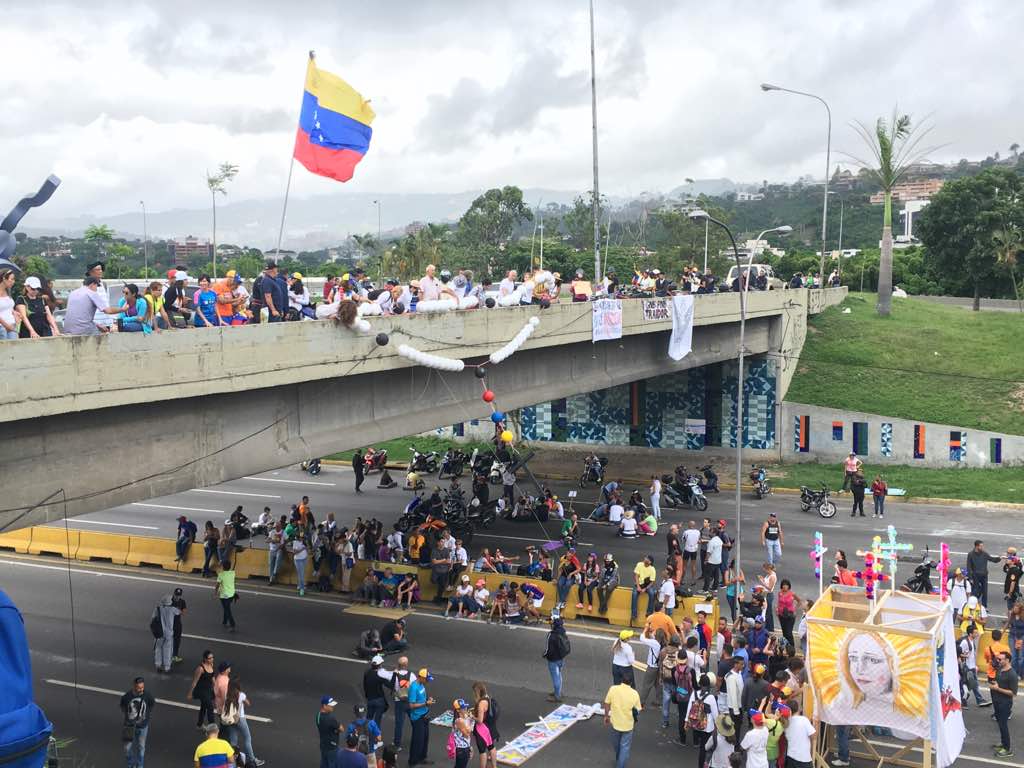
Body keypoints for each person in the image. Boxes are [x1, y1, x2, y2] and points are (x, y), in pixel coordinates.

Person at [603, 678, 641, 768]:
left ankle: (619, 759)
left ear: (621, 680)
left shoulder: (613, 689)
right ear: (631, 682)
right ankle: (621, 763)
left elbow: (606, 703)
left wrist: (606, 716)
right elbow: (638, 709)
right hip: (628, 725)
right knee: (625, 747)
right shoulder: (634, 693)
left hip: (615, 724)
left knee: (616, 745)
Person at [121, 676, 155, 768]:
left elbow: (151, 704)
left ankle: (140, 765)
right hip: (129, 726)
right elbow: (123, 707)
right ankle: (130, 764)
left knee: (141, 747)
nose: (141, 689)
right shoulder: (127, 696)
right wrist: (130, 718)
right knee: (127, 748)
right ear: (134, 686)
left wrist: (145, 716)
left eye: (142, 687)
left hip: (142, 727)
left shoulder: (147, 695)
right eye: (139, 688)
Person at [688, 673, 720, 768]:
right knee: (704, 749)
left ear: (700, 684)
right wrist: (717, 727)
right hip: (707, 727)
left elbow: (689, 707)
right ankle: (701, 765)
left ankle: (695, 742)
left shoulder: (694, 694)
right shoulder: (711, 698)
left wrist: (686, 721)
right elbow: (715, 715)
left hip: (695, 724)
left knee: (700, 744)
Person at [991, 651, 1019, 758]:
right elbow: (998, 681)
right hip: (997, 701)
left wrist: (998, 688)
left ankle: (1007, 749)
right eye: (998, 659)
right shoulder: (999, 669)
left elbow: (1013, 693)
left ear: (1007, 660)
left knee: (1003, 725)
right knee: (1000, 723)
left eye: (1000, 659)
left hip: (1005, 703)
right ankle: (1003, 744)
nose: (998, 661)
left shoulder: (1012, 675)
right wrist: (995, 684)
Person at [407, 668, 435, 767]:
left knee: (425, 738)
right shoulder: (414, 688)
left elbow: (422, 698)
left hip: (424, 714)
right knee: (417, 740)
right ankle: (413, 761)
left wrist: (427, 700)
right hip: (417, 717)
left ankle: (422, 757)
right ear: (421, 677)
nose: (428, 681)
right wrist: (425, 703)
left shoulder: (422, 685)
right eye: (427, 679)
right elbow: (411, 705)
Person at [958, 623, 991, 707]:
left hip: (972, 667)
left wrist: (975, 666)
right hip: (967, 668)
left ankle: (972, 700)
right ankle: (976, 700)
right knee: (972, 685)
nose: (977, 634)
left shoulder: (971, 641)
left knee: (972, 685)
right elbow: (958, 653)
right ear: (970, 634)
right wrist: (965, 656)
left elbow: (972, 655)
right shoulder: (965, 642)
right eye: (975, 633)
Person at [967, 540, 1002, 608]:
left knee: (985, 591)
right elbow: (969, 566)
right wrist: (970, 578)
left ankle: (984, 606)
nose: (982, 547)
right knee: (975, 591)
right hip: (975, 576)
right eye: (981, 546)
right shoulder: (970, 554)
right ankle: (972, 605)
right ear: (976, 546)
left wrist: (999, 558)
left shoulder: (984, 553)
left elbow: (992, 559)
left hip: (984, 576)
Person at [472, 681, 499, 768]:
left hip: (482, 729)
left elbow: (480, 720)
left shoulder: (481, 703)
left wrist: (471, 716)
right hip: (490, 726)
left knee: (482, 750)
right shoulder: (488, 697)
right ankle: (494, 766)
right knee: (491, 747)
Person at [544, 617, 571, 702]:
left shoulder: (551, 635)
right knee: (559, 675)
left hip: (553, 660)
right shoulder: (563, 633)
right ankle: (558, 692)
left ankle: (557, 696)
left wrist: (544, 655)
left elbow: (548, 649)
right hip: (561, 658)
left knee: (556, 678)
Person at [151, 592, 180, 673]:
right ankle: (167, 667)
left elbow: (153, 618)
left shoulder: (158, 609)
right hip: (169, 633)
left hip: (159, 632)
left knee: (158, 649)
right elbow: (179, 612)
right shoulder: (173, 609)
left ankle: (158, 665)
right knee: (167, 650)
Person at [317, 695, 342, 768]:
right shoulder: (331, 718)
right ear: (324, 706)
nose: (332, 707)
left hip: (323, 744)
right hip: (332, 746)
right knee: (333, 764)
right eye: (330, 705)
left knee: (324, 763)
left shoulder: (318, 715)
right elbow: (341, 729)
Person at [630, 555, 658, 622]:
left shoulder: (652, 569)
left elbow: (652, 582)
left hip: (647, 585)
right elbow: (636, 576)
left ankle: (649, 612)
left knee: (652, 594)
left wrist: (645, 589)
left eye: (647, 559)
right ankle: (634, 614)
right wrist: (638, 586)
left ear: (650, 562)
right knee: (634, 594)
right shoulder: (639, 564)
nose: (645, 559)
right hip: (639, 584)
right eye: (645, 558)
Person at [451, 699, 474, 768]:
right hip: (461, 749)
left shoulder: (463, 719)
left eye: (465, 707)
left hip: (464, 747)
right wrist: (472, 721)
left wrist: (470, 747)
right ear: (458, 710)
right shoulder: (459, 721)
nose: (465, 708)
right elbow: (466, 735)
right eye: (463, 708)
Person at [216, 559, 237, 631]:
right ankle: (224, 621)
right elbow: (234, 566)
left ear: (223, 567)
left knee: (227, 610)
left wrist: (215, 592)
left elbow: (217, 585)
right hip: (231, 594)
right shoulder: (232, 573)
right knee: (226, 608)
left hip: (224, 595)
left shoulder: (221, 575)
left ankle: (232, 624)